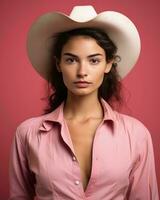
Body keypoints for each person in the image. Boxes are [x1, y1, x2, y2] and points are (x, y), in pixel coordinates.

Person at [9, 5, 159, 200]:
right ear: (58, 64)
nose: (82, 72)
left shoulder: (136, 134)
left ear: (108, 64)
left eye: (94, 60)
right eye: (71, 60)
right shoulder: (27, 134)